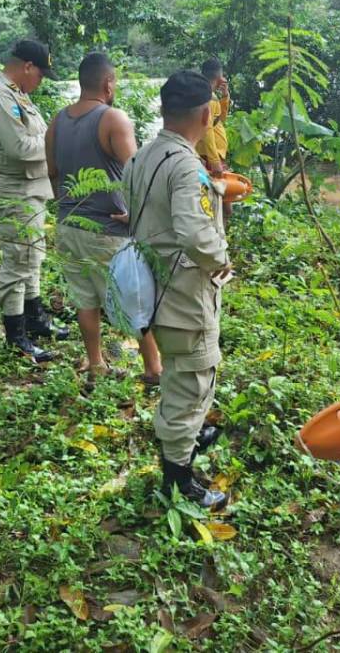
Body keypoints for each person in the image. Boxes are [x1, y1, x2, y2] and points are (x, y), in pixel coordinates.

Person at [124, 70, 231, 509]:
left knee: (177, 375)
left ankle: (179, 445)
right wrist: (222, 260)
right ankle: (179, 480)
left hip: (150, 287)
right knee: (192, 381)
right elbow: (193, 230)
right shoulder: (186, 165)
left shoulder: (142, 156)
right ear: (206, 116)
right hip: (183, 294)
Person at [46, 52, 163, 389]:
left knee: (85, 298)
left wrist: (68, 206)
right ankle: (154, 369)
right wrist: (135, 214)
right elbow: (138, 174)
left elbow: (52, 173)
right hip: (109, 230)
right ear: (108, 83)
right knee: (135, 298)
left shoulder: (57, 121)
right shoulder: (114, 119)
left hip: (69, 226)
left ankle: (96, 363)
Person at [0, 39, 69, 364]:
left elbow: (35, 137)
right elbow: (19, 147)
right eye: (40, 74)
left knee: (32, 256)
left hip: (29, 189)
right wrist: (54, 146)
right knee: (18, 261)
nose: (40, 81)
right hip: (11, 191)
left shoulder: (18, 95)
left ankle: (36, 320)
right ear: (27, 67)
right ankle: (16, 337)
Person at [196, 58, 233, 221]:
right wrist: (214, 159)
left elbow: (220, 120)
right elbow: (207, 130)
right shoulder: (208, 99)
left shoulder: (211, 96)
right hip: (211, 156)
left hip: (214, 154)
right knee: (221, 202)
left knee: (222, 200)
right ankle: (220, 234)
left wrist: (225, 96)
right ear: (219, 77)